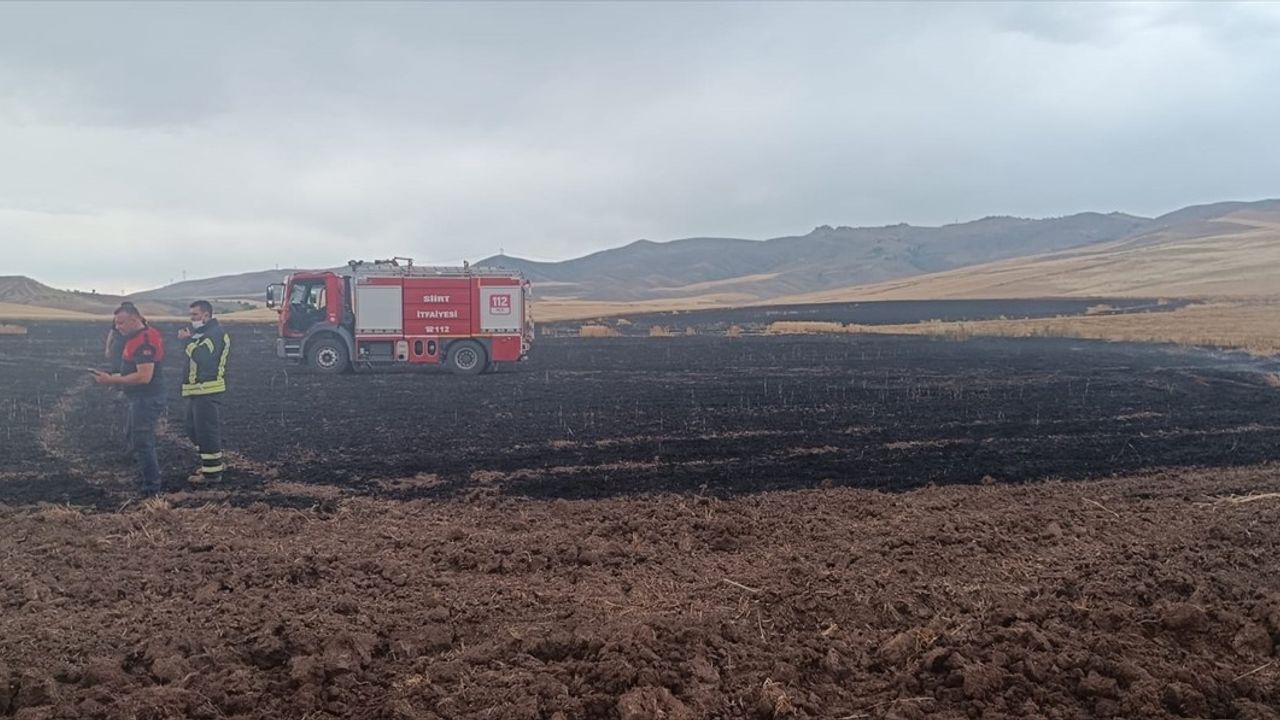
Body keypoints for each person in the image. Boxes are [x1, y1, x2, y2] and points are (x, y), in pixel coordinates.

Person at [92, 303, 166, 498]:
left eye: (121, 323)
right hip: (139, 398)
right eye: (116, 323)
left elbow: (144, 376)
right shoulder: (135, 337)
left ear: (135, 319)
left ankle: (152, 488)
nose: (118, 327)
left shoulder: (144, 341)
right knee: (132, 436)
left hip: (147, 398)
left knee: (142, 441)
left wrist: (112, 379)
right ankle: (143, 475)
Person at [178, 300, 230, 482]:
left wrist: (187, 342)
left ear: (206, 315)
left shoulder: (214, 334)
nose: (191, 319)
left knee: (206, 431)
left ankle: (212, 474)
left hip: (207, 390)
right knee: (192, 429)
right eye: (191, 315)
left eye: (195, 315)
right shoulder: (202, 334)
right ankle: (212, 462)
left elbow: (202, 357)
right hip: (195, 391)